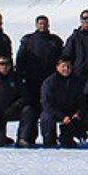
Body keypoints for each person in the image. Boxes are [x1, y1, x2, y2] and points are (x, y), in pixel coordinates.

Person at [15, 15, 64, 144]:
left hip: (51, 82)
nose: (43, 26)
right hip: (31, 81)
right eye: (40, 23)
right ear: (36, 25)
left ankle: (50, 139)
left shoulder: (55, 41)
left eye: (45, 23)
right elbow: (20, 61)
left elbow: (62, 60)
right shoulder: (28, 40)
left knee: (49, 109)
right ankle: (26, 138)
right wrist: (21, 78)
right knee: (31, 109)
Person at [39, 57, 86, 148]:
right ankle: (49, 140)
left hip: (71, 111)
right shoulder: (49, 82)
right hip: (54, 112)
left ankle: (68, 137)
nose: (66, 69)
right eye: (63, 66)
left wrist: (78, 113)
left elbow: (82, 100)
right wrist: (62, 116)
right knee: (46, 116)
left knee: (86, 116)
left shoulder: (77, 81)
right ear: (57, 67)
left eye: (68, 66)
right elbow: (46, 104)